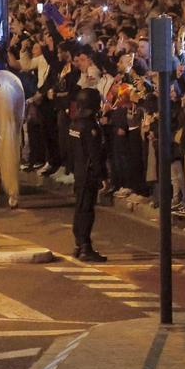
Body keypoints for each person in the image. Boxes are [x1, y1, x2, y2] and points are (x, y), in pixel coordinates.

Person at [72, 87, 108, 262]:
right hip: (88, 173)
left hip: (78, 171)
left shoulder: (74, 124)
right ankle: (85, 247)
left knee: (79, 208)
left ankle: (79, 244)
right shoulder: (90, 127)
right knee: (86, 210)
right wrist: (102, 177)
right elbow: (95, 154)